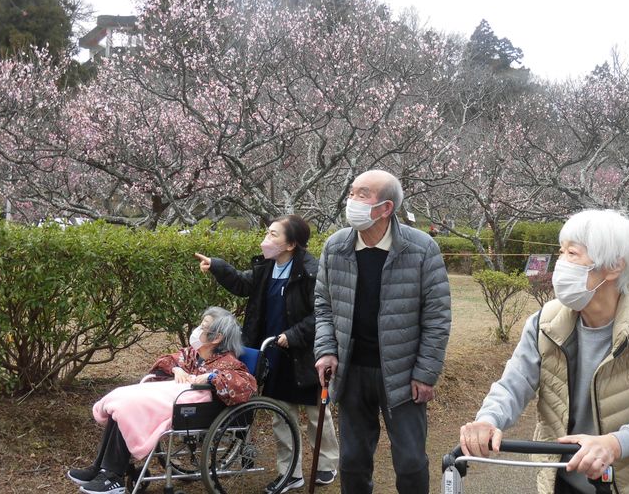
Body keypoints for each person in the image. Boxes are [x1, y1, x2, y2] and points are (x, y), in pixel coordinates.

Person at [460, 209, 629, 494]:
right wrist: (488, 419)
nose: (561, 264)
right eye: (561, 253)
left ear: (613, 267)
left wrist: (613, 444)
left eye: (572, 254)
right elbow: (513, 384)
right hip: (563, 478)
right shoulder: (545, 323)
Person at [313, 169, 452, 494]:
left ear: (386, 208)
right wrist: (326, 350)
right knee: (353, 462)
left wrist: (426, 373)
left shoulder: (420, 249)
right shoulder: (336, 247)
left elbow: (438, 316)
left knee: (411, 462)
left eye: (362, 194)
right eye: (352, 192)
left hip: (403, 375)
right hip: (352, 372)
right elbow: (323, 305)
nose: (352, 200)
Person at [196, 215, 340, 492]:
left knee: (315, 414)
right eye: (268, 232)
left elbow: (322, 313)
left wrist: (293, 335)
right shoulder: (266, 268)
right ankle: (291, 472)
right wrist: (217, 266)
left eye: (274, 235)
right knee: (280, 415)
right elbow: (242, 284)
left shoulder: (312, 271)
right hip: (272, 353)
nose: (267, 239)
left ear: (291, 244)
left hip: (305, 356)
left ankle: (326, 464)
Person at [66, 307, 256, 494]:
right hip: (174, 397)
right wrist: (176, 369)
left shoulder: (228, 363)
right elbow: (166, 360)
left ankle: (113, 476)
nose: (197, 330)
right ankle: (101, 466)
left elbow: (246, 385)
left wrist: (211, 378)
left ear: (217, 338)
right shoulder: (193, 355)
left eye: (203, 326)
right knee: (121, 397)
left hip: (190, 407)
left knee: (127, 407)